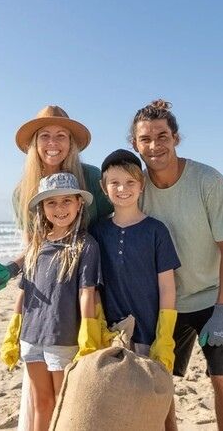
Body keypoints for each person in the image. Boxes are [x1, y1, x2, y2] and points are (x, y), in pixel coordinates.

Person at [130, 99, 223, 431]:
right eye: (145, 139)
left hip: (217, 293)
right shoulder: (137, 188)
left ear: (176, 138)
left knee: (222, 378)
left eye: (162, 136)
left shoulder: (207, 180)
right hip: (169, 299)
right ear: (135, 144)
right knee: (160, 378)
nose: (154, 146)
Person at [0, 172, 102, 431]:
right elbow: (25, 291)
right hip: (30, 336)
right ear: (42, 209)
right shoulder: (37, 244)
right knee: (40, 402)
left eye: (67, 200)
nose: (60, 208)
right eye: (51, 203)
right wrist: (13, 330)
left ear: (79, 204)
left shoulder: (85, 245)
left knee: (62, 402)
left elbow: (86, 292)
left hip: (62, 337)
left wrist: (87, 335)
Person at [0, 105, 112, 292]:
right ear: (34, 143)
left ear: (70, 142)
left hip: (94, 277)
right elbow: (35, 246)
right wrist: (11, 268)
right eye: (44, 136)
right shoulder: (22, 192)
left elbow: (116, 224)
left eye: (61, 135)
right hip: (54, 282)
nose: (53, 143)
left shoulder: (91, 177)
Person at [90, 149, 180, 370]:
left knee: (156, 399)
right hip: (111, 336)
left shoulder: (156, 230)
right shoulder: (97, 231)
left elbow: (167, 286)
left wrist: (164, 336)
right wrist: (97, 328)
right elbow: (93, 287)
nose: (123, 189)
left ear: (142, 185)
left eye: (131, 181)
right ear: (104, 187)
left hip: (149, 335)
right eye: (115, 183)